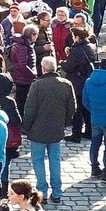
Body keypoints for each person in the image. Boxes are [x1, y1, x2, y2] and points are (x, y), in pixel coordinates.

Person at [23, 56, 76, 201]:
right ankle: (57, 192)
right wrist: (64, 123)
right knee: (55, 160)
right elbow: (72, 107)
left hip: (37, 131)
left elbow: (30, 109)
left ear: (43, 68)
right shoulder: (66, 84)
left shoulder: (37, 85)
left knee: (38, 160)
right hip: (56, 129)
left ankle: (42, 192)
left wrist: (26, 127)